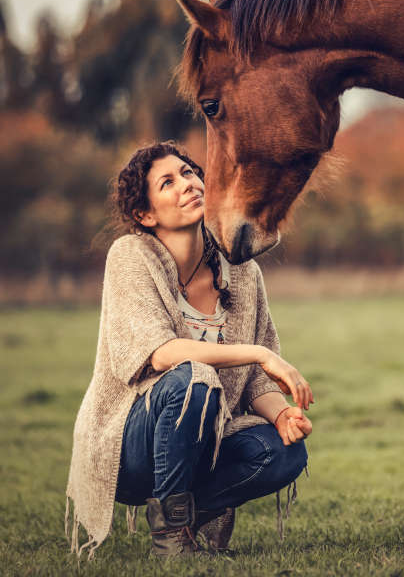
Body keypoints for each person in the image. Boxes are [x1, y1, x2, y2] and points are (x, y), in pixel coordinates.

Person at [66, 141, 313, 558]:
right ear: (146, 215)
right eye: (168, 182)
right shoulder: (130, 256)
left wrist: (282, 413)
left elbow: (253, 384)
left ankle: (185, 516)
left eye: (188, 172)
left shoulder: (243, 272)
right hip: (131, 447)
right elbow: (161, 354)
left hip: (204, 442)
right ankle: (172, 540)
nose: (187, 184)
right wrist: (260, 353)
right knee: (193, 378)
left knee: (285, 453)